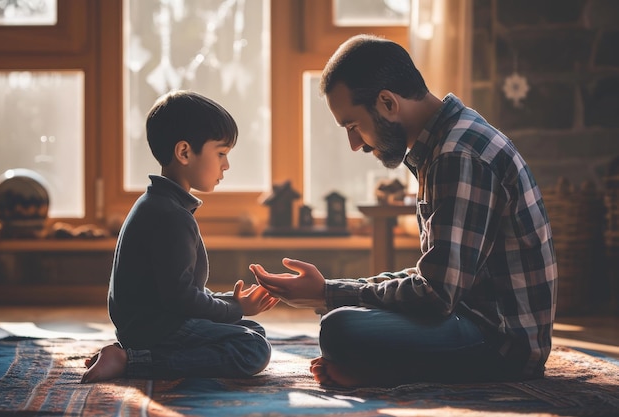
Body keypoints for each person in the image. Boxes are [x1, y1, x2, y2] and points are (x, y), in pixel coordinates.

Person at [249, 34, 557, 388]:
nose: (354, 144)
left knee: (339, 328)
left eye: (353, 126)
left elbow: (435, 296)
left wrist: (328, 294)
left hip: (501, 346)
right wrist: (330, 290)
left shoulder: (457, 155)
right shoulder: (448, 141)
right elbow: (439, 279)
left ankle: (386, 372)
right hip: (468, 316)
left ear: (387, 103)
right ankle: (384, 367)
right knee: (342, 318)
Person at [82, 90, 279, 383]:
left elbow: (177, 290)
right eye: (221, 153)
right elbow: (181, 299)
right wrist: (235, 307)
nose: (226, 165)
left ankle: (131, 352)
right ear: (185, 152)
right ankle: (131, 361)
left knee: (253, 330)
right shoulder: (170, 215)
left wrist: (231, 304)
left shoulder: (159, 203)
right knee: (253, 349)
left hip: (150, 322)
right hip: (158, 327)